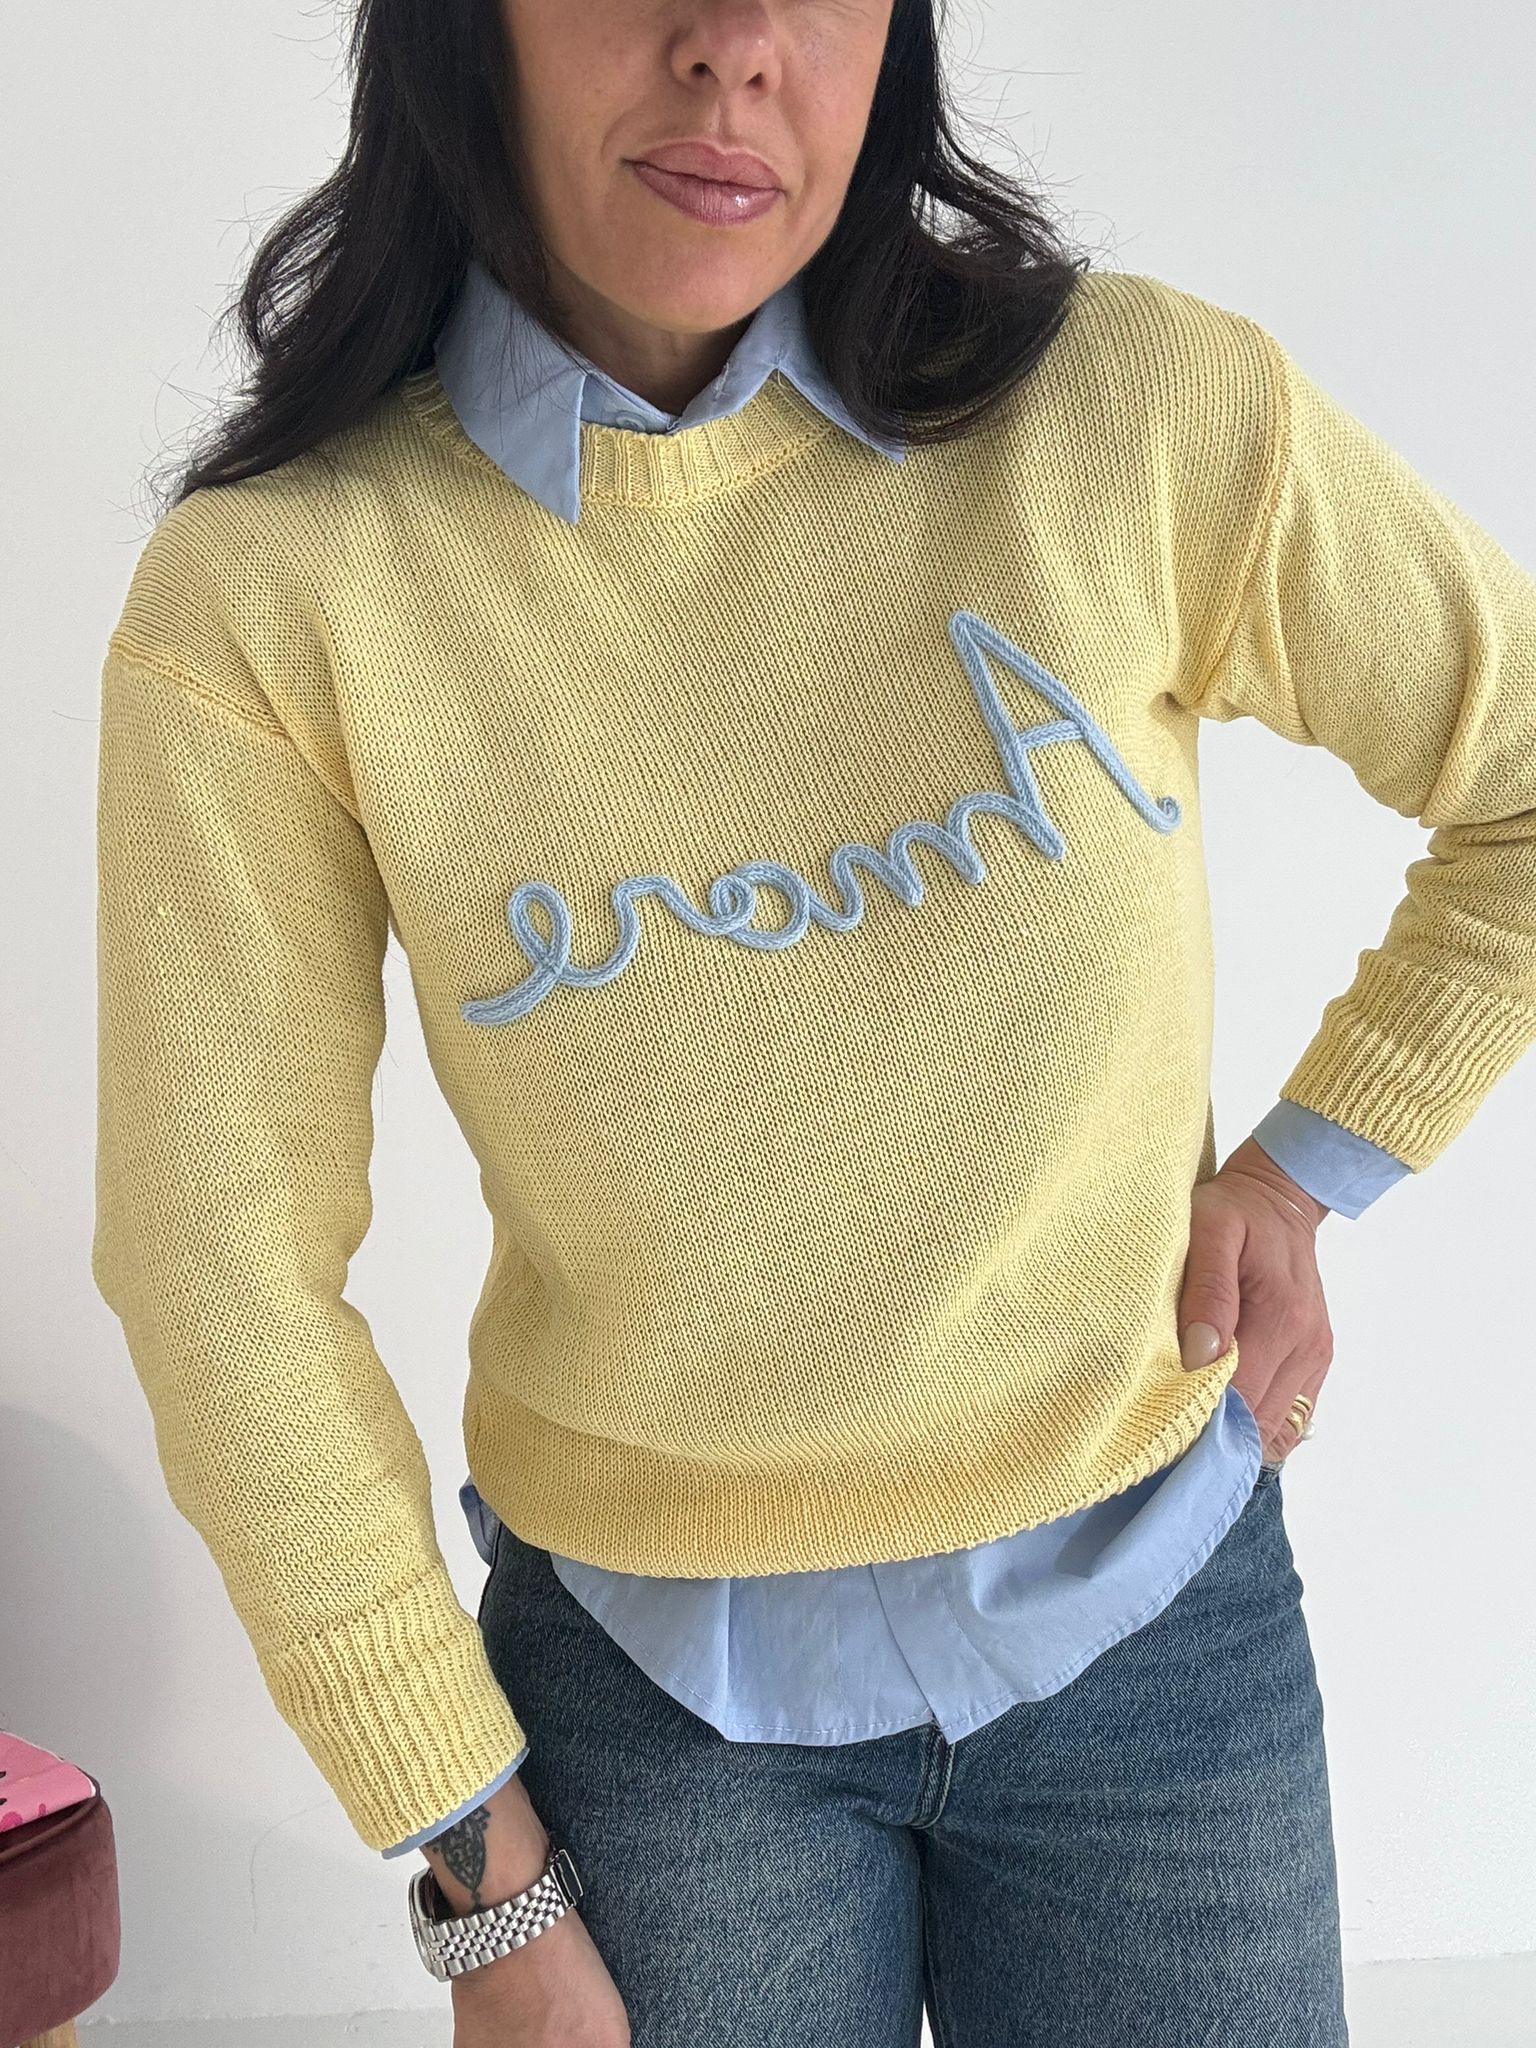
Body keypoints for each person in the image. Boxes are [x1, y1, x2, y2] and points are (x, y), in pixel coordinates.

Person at [90, 2, 1536, 2043]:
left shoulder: (1130, 413)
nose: (738, 46)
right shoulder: (276, 595)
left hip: (1156, 1636)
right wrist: (479, 1871)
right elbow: (217, 1272)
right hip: (652, 1714)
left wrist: (1313, 1165)